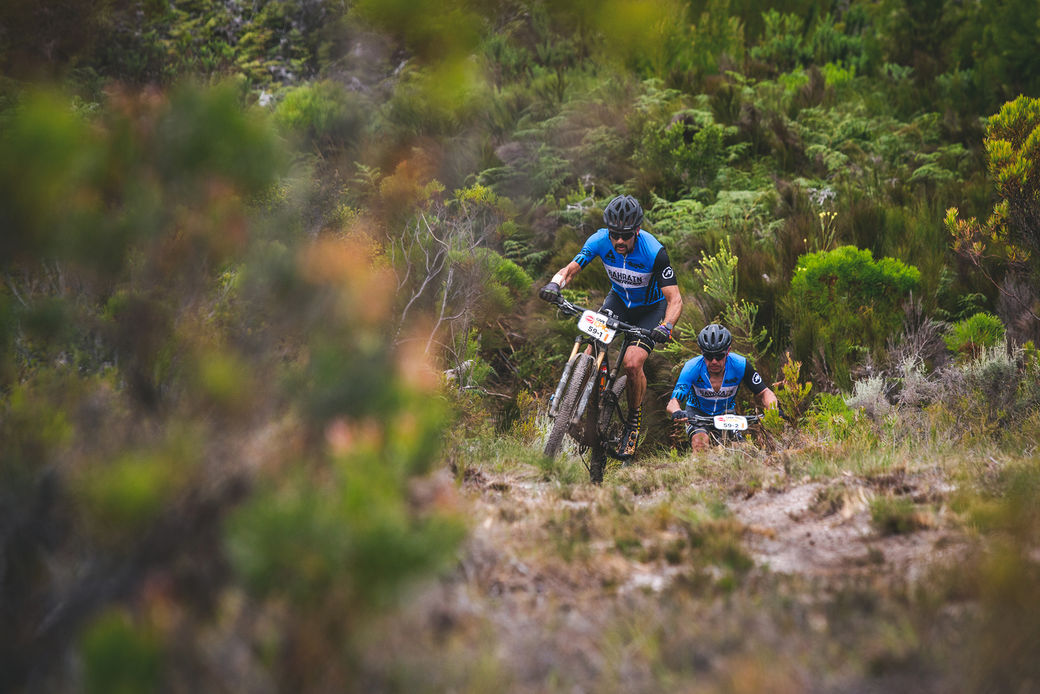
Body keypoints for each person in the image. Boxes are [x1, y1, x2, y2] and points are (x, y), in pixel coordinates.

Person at [539, 194, 682, 459]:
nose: (618, 240)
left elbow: (675, 299)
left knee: (632, 363)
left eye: (625, 235)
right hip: (618, 301)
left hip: (650, 310)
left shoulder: (654, 251)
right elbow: (570, 269)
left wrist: (667, 326)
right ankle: (572, 398)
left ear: (637, 231)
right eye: (614, 233)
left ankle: (633, 421)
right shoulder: (598, 240)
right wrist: (554, 284)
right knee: (590, 342)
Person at [665, 323, 778, 452]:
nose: (714, 361)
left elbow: (764, 392)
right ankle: (699, 471)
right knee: (700, 442)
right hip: (698, 414)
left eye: (719, 356)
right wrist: (677, 412)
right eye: (708, 356)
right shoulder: (692, 368)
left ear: (728, 351)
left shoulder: (740, 365)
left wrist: (773, 411)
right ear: (701, 352)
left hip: (726, 413)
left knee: (742, 449)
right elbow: (673, 402)